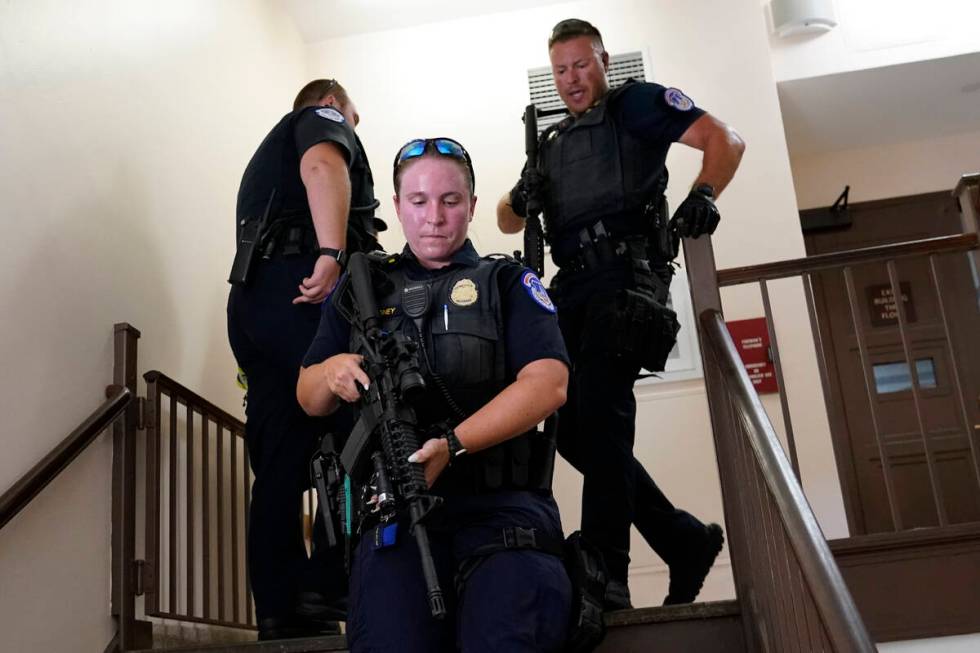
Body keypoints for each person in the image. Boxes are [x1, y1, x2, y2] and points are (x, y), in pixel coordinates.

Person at [497, 19, 746, 609]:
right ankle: (681, 538)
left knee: (604, 418)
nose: (571, 79)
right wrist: (521, 197)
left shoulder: (636, 104)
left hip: (624, 280)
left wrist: (705, 193)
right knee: (574, 432)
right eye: (561, 70)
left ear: (604, 61)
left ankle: (608, 572)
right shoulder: (552, 145)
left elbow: (724, 139)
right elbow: (508, 217)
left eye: (581, 65)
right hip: (570, 290)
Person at [297, 138, 572, 652]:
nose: (435, 217)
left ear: (470, 202)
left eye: (450, 200)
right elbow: (308, 394)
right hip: (396, 513)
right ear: (398, 207)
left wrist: (454, 444)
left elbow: (548, 383)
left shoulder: (507, 282)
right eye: (419, 201)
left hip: (502, 512)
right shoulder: (362, 290)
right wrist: (331, 370)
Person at [226, 79, 383, 640]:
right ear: (336, 104)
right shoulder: (322, 117)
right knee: (361, 413)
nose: (351, 134)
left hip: (254, 304)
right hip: (302, 289)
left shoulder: (265, 163)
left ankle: (279, 609)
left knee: (280, 455)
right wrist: (332, 254)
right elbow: (323, 167)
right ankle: (328, 578)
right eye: (355, 121)